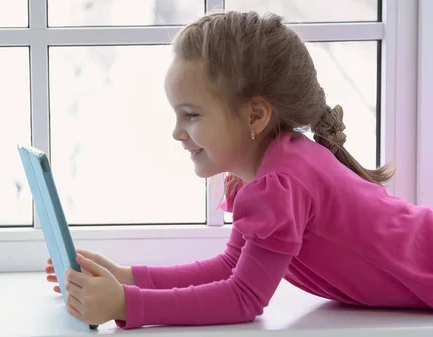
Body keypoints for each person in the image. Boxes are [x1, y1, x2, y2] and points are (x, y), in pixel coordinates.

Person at [45, 10, 433, 329]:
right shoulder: (275, 169)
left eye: (191, 115)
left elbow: (243, 298)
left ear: (256, 115)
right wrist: (128, 277)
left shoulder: (280, 184)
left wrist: (127, 304)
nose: (178, 132)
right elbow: (232, 267)